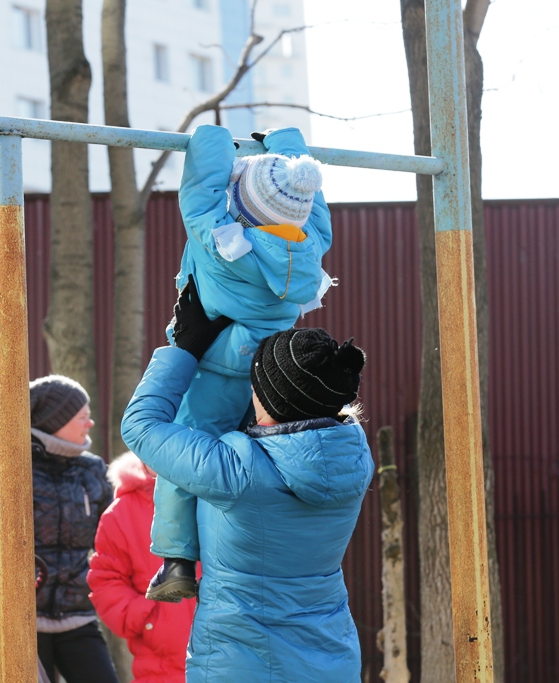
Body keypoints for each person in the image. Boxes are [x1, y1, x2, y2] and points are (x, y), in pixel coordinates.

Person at [121, 281, 374, 682]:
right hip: (330, 660)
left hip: (243, 664)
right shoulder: (355, 458)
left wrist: (184, 351)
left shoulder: (237, 473)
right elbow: (290, 437)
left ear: (267, 401)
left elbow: (140, 426)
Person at [149, 124, 335, 601]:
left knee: (186, 449)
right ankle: (233, 553)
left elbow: (199, 193)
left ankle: (176, 559)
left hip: (211, 364)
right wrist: (289, 145)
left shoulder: (224, 245)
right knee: (252, 460)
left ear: (244, 208)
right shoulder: (310, 244)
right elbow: (311, 198)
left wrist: (212, 136)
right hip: (266, 375)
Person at [0, 375, 118, 683]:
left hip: (79, 615)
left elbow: (113, 537)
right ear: (55, 420)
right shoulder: (10, 465)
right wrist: (8, 581)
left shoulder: (93, 470)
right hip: (22, 621)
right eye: (82, 418)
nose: (89, 425)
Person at [86, 452, 196, 683]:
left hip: (224, 655)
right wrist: (146, 616)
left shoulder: (212, 496)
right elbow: (106, 580)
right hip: (160, 665)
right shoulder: (120, 513)